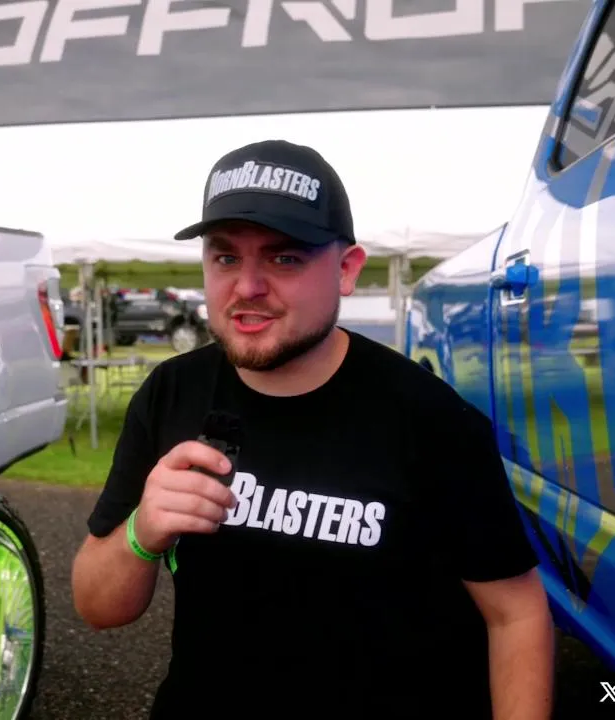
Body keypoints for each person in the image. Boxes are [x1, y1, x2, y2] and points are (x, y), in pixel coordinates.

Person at [70, 139, 555, 719]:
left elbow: (516, 614)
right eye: (225, 258)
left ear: (347, 269)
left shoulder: (429, 418)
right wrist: (141, 532)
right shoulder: (171, 393)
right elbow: (98, 607)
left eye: (284, 259)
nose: (247, 287)